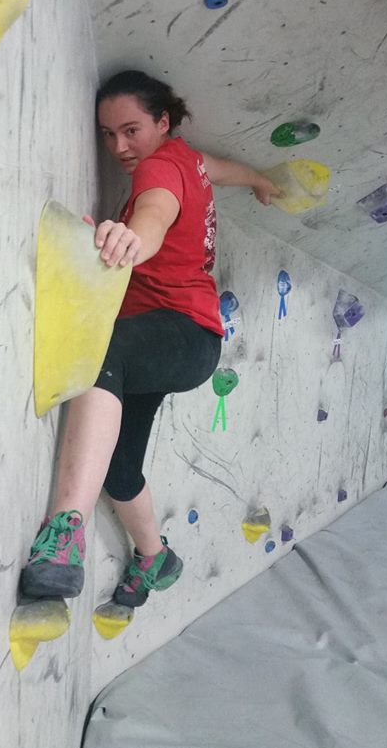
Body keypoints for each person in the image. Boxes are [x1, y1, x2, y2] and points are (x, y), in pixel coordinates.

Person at [20, 70, 280, 610]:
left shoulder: (159, 170)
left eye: (131, 129)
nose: (119, 146)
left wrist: (131, 239)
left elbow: (154, 218)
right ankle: (154, 556)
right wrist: (257, 177)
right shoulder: (188, 160)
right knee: (118, 467)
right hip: (169, 345)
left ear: (163, 123)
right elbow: (221, 169)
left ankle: (63, 535)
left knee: (101, 349)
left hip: (181, 333)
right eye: (108, 134)